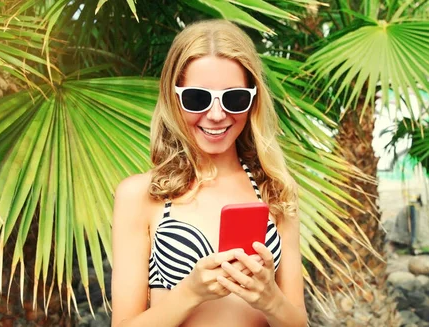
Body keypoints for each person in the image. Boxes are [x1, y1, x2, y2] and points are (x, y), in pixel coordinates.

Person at [110, 19, 307, 327]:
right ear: (174, 98)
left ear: (253, 100)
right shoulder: (141, 195)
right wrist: (190, 292)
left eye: (234, 98)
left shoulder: (276, 190)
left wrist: (269, 299)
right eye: (197, 98)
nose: (216, 115)